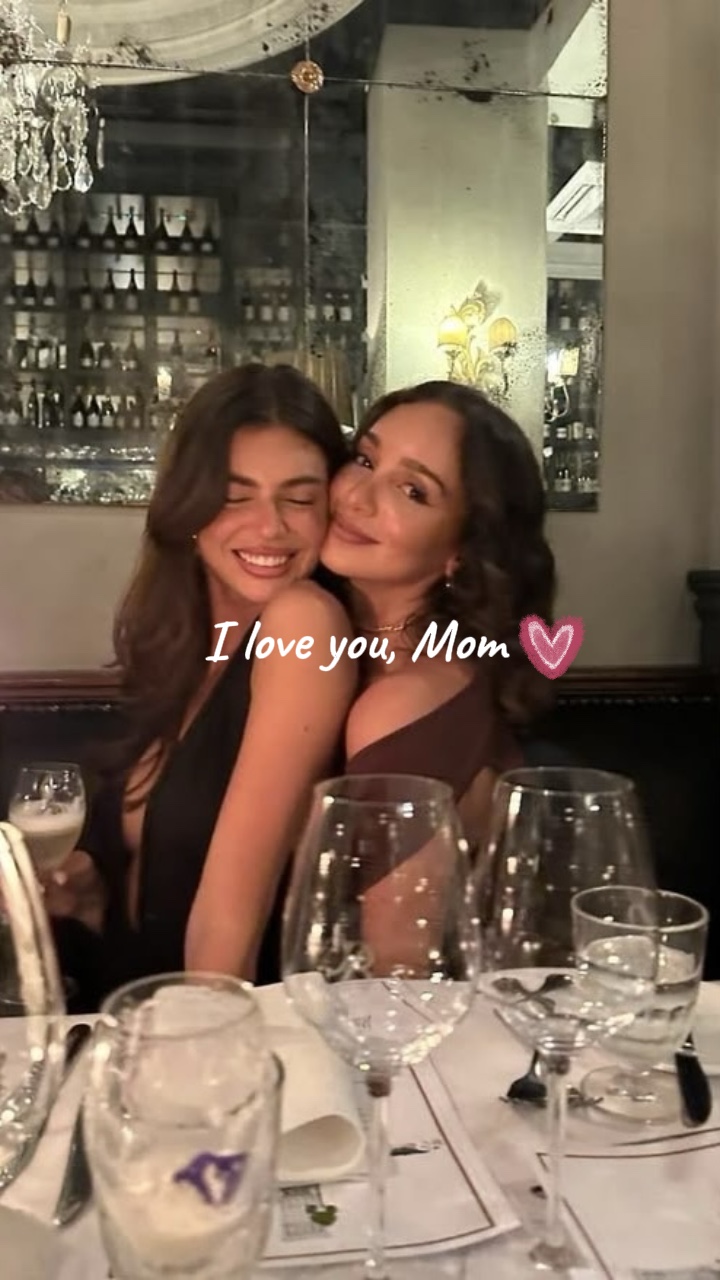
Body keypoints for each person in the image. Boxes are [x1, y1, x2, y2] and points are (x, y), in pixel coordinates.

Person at [45, 363, 356, 1005]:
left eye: (299, 499)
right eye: (235, 496)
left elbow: (227, 933)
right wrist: (91, 896)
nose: (269, 527)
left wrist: (198, 1054)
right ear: (190, 506)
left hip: (214, 1028)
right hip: (127, 1011)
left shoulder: (304, 624)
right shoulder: (184, 641)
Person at [321, 378, 556, 855]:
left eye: (413, 490)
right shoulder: (343, 649)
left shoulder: (403, 703)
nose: (357, 498)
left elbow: (395, 912)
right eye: (365, 460)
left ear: (462, 550)